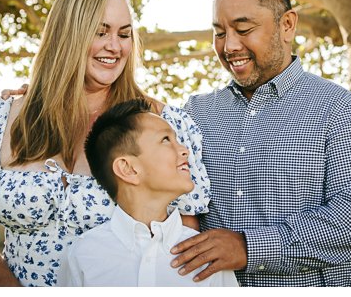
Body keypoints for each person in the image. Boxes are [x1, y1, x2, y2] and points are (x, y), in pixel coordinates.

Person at [0, 0, 209, 287]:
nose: (114, 46)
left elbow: (186, 249)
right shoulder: (1, 120)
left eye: (124, 34)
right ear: (68, 35)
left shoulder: (167, 127)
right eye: (100, 31)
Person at [171, 0, 351, 287]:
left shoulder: (341, 112)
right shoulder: (194, 114)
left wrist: (249, 248)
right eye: (219, 32)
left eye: (243, 29)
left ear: (287, 25)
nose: (229, 46)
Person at [56, 99, 238, 287]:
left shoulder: (209, 257)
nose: (184, 150)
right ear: (128, 169)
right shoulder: (83, 255)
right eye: (166, 139)